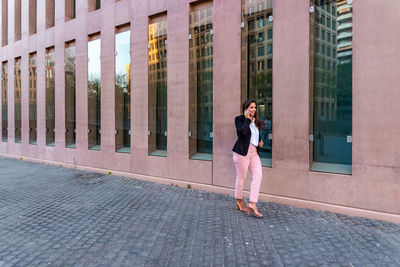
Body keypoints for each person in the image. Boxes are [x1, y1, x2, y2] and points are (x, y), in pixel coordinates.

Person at [232, 99, 264, 218]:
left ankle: (252, 202)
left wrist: (259, 142)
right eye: (251, 107)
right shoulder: (239, 120)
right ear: (245, 109)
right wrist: (246, 119)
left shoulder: (256, 122)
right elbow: (242, 133)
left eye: (255, 107)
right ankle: (239, 200)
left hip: (254, 152)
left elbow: (254, 137)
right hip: (242, 153)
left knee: (258, 176)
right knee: (241, 177)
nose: (254, 109)